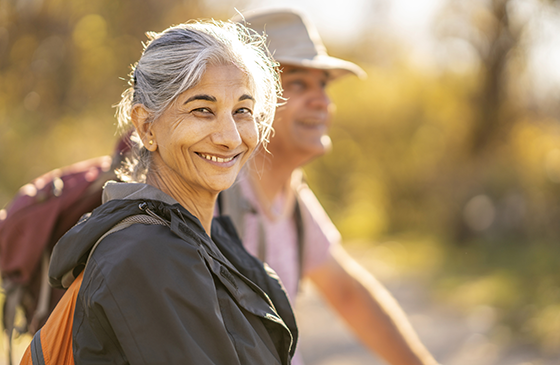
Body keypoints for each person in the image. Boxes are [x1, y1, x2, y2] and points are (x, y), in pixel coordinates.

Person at [26, 19, 297, 364]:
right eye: (203, 110)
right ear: (146, 125)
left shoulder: (208, 240)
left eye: (242, 111)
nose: (230, 137)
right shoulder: (144, 257)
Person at [219, 8, 440, 365]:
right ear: (245, 99)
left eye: (323, 84)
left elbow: (347, 293)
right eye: (298, 83)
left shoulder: (290, 196)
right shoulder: (210, 199)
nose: (323, 101)